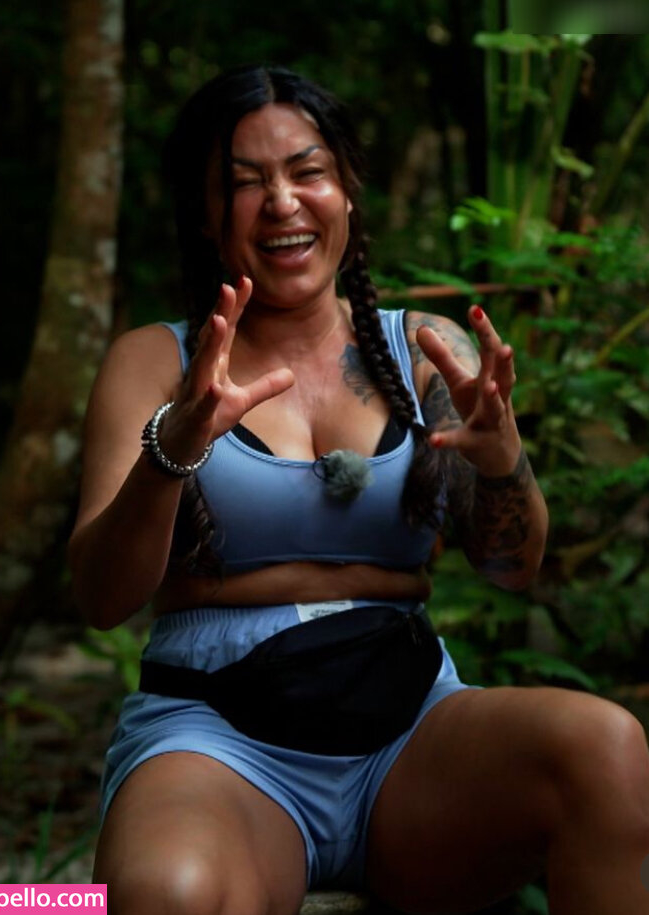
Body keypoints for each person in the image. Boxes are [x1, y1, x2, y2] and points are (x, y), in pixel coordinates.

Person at [68, 65, 649, 915]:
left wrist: (500, 459)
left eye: (306, 171)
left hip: (410, 742)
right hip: (222, 745)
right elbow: (101, 596)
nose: (282, 202)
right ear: (204, 211)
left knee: (605, 745)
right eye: (245, 182)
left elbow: (511, 568)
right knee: (168, 893)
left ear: (345, 189)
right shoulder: (154, 362)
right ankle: (29, 896)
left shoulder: (423, 350)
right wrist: (173, 448)